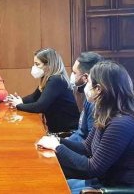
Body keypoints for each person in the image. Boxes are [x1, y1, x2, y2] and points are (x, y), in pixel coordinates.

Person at [37, 61, 134, 193]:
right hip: (98, 182)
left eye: (88, 82)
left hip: (109, 188)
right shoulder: (105, 113)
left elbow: (92, 168)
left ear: (99, 89)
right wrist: (58, 141)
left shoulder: (121, 124)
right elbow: (86, 147)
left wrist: (57, 147)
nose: (86, 86)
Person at [8, 48, 79, 133]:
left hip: (67, 132)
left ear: (49, 65)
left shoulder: (56, 80)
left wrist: (19, 105)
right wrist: (19, 100)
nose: (34, 67)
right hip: (57, 129)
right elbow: (34, 97)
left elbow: (40, 106)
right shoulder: (48, 79)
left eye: (37, 64)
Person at [67, 52, 103, 142]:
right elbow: (81, 132)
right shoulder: (89, 97)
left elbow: (90, 141)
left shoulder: (95, 102)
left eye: (74, 73)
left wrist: (61, 145)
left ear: (86, 77)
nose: (72, 75)